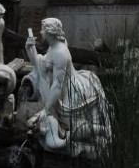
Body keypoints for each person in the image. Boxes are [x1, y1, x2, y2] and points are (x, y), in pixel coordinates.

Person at [24, 18, 111, 155]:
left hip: (70, 93)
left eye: (43, 30)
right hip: (60, 92)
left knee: (73, 130)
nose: (41, 32)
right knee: (65, 128)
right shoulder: (53, 46)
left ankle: (102, 131)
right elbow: (42, 64)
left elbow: (58, 85)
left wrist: (45, 110)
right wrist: (29, 49)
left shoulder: (60, 52)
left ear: (50, 32)